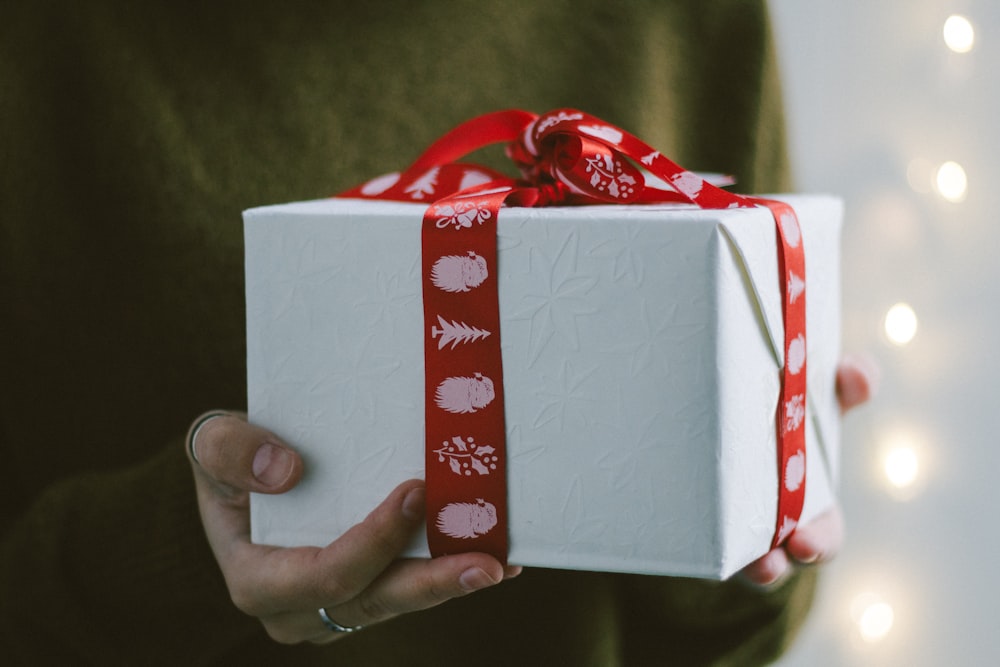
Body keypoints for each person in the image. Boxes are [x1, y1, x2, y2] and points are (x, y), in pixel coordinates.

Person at [0, 1, 875, 664]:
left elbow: (740, 639)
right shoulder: (43, 43)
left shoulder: (687, 16)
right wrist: (179, 558)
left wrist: (742, 540)